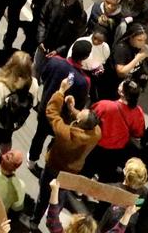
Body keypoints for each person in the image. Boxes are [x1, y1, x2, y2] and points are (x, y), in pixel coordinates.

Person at [35, 74, 102, 217]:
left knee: (45, 194)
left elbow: (51, 113)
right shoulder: (96, 132)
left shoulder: (67, 134)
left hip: (54, 166)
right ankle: (53, 216)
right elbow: (85, 121)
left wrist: (61, 91)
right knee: (61, 194)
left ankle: (35, 220)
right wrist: (72, 109)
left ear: (77, 123)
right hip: (73, 170)